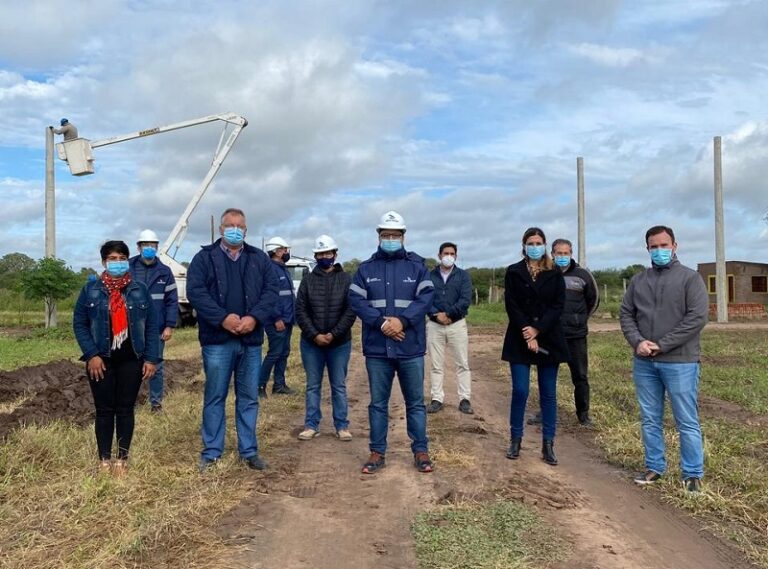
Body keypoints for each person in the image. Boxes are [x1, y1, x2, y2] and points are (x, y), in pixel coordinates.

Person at [187, 208, 279, 471]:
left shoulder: (259, 259)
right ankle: (212, 451)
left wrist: (254, 318)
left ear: (246, 230)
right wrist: (222, 318)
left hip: (250, 341)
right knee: (215, 395)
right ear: (221, 229)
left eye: (240, 226)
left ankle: (249, 451)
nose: (235, 229)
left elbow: (271, 291)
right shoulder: (204, 258)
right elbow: (196, 292)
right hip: (218, 340)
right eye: (230, 225)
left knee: (249, 396)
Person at [619, 225, 708, 493]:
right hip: (645, 362)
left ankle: (692, 474)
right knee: (649, 417)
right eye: (654, 247)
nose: (659, 251)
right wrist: (638, 341)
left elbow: (697, 318)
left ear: (675, 246)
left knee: (686, 420)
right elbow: (626, 314)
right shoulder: (638, 281)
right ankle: (654, 467)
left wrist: (662, 344)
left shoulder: (690, 279)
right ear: (647, 249)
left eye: (664, 245)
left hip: (680, 361)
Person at [349, 211, 435, 474]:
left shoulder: (418, 267)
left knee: (416, 403)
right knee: (377, 404)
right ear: (378, 236)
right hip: (378, 349)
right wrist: (383, 324)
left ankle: (420, 450)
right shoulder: (365, 269)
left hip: (410, 348)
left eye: (394, 235)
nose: (390, 239)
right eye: (385, 235)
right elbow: (356, 301)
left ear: (403, 236)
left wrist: (403, 322)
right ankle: (377, 452)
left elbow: (426, 299)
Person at [73, 240, 159, 477]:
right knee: (103, 410)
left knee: (125, 409)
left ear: (128, 261)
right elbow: (79, 324)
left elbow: (152, 325)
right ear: (104, 262)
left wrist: (151, 358)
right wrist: (91, 355)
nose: (118, 263)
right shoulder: (91, 290)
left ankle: (122, 459)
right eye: (112, 258)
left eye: (122, 258)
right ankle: (104, 459)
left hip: (131, 359)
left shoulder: (139, 289)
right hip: (101, 361)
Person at [502, 227, 568, 466]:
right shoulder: (513, 272)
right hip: (520, 337)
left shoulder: (555, 273)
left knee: (548, 394)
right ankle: (515, 438)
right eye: (531, 242)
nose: (535, 246)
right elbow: (512, 304)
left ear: (544, 245)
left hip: (548, 337)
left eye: (539, 242)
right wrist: (527, 332)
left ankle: (548, 444)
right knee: (520, 390)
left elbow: (557, 306)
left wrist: (538, 329)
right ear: (524, 245)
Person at [528, 238, 598, 426]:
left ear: (571, 254)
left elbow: (593, 300)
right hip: (550, 335)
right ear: (552, 254)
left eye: (566, 253)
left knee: (580, 376)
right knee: (547, 376)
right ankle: (545, 412)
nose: (562, 256)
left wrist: (579, 319)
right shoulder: (544, 274)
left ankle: (583, 414)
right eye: (558, 253)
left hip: (576, 336)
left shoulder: (583, 275)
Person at [295, 234, 357, 441]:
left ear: (335, 254)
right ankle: (311, 425)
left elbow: (351, 311)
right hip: (312, 344)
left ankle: (342, 425)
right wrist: (315, 335)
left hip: (339, 343)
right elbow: (300, 311)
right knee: (313, 385)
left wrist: (333, 334)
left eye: (327, 253)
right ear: (316, 255)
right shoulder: (308, 281)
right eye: (320, 253)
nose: (324, 256)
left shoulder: (346, 279)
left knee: (338, 385)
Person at [129, 229, 178, 413]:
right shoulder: (129, 268)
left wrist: (169, 325)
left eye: (152, 245)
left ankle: (155, 403)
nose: (149, 248)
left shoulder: (164, 272)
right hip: (131, 328)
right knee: (131, 367)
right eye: (145, 245)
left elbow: (172, 301)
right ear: (139, 247)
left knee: (156, 366)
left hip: (156, 328)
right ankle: (129, 402)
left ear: (157, 247)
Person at [426, 241, 474, 415]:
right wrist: (435, 315)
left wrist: (449, 315)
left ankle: (464, 399)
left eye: (452, 254)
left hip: (457, 324)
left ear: (456, 256)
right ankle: (437, 398)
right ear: (439, 255)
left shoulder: (463, 276)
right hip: (434, 325)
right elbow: (424, 298)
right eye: (445, 253)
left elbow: (465, 299)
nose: (449, 256)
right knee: (436, 365)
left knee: (462, 363)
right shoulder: (429, 276)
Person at [258, 236, 297, 396]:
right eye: (284, 250)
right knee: (274, 352)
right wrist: (276, 318)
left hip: (287, 318)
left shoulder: (282, 268)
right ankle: (259, 386)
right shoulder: (271, 270)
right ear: (276, 251)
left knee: (284, 352)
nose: (287, 252)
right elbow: (270, 296)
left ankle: (279, 385)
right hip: (276, 320)